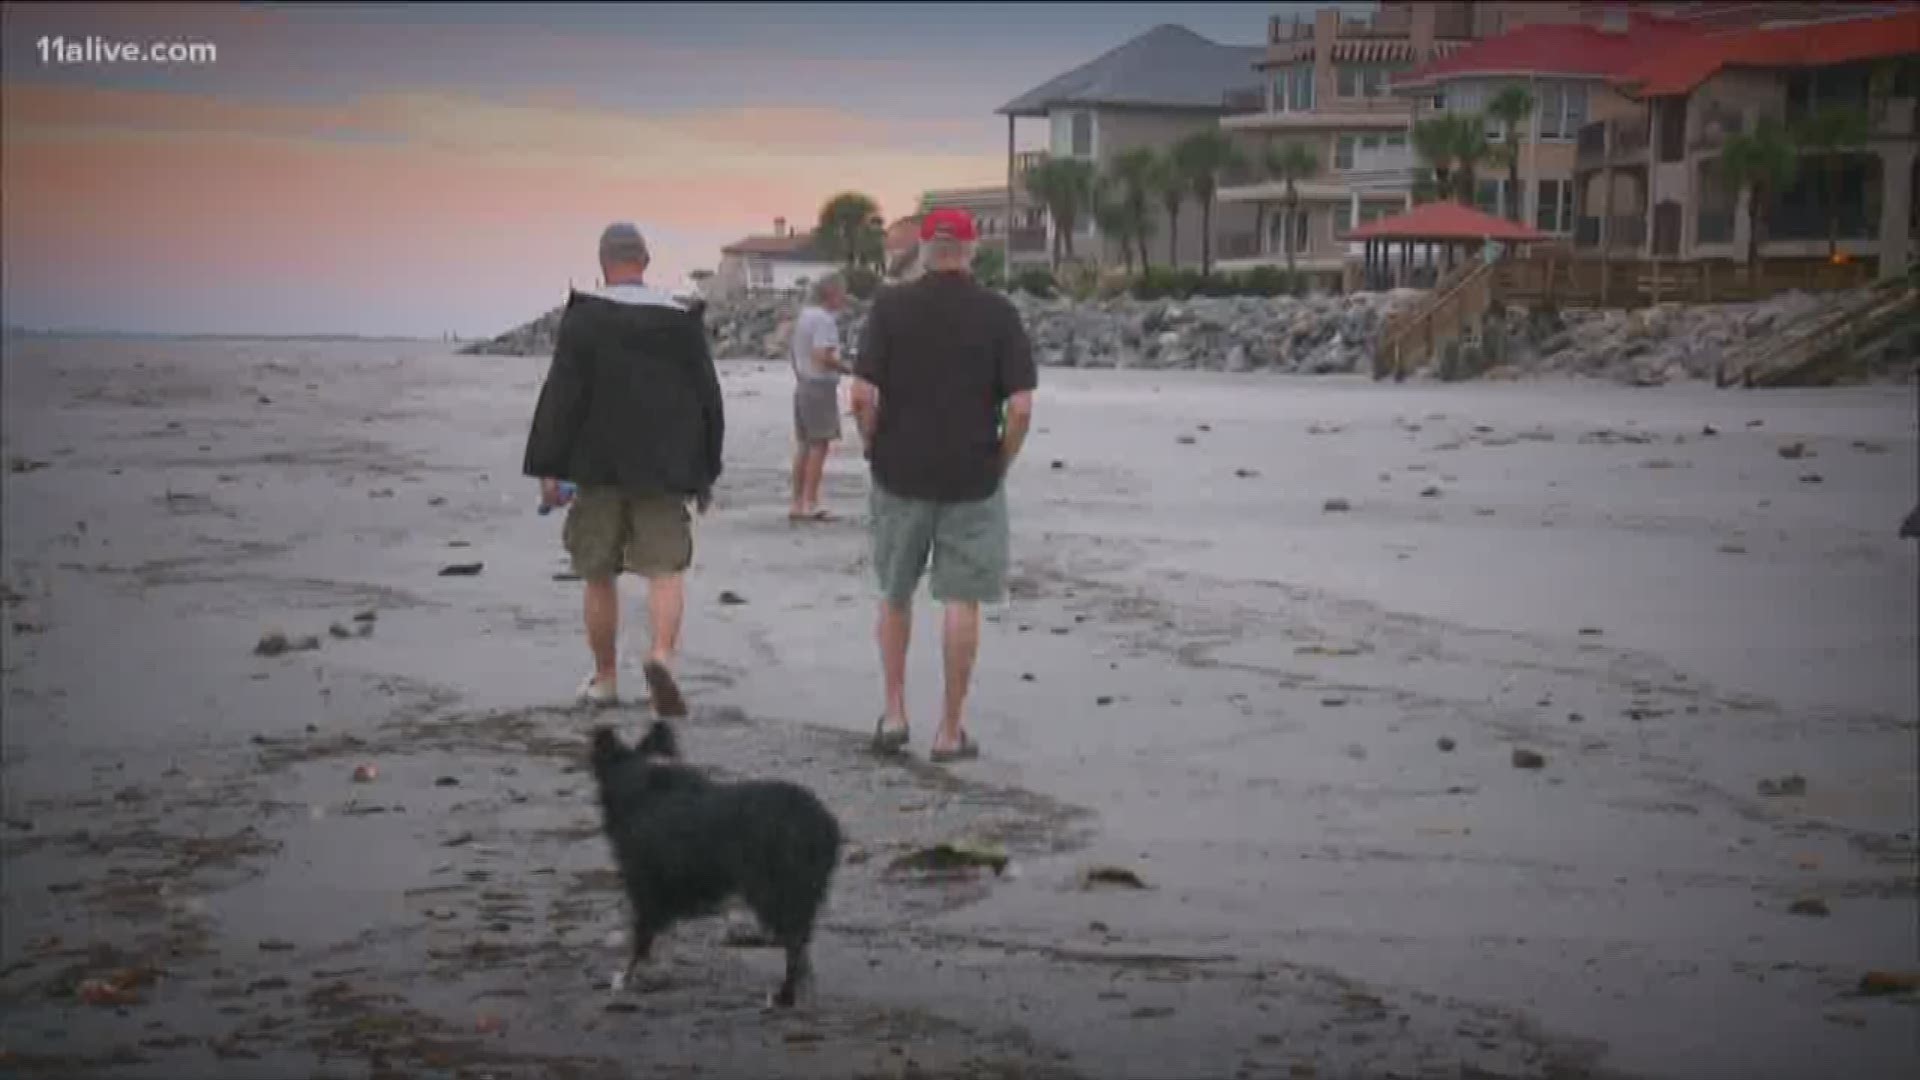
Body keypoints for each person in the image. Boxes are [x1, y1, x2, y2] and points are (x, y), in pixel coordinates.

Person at [851, 208, 1036, 762]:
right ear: (972, 249)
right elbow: (1020, 407)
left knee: (895, 592)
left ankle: (893, 711)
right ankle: (949, 730)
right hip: (972, 476)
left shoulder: (890, 308)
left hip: (899, 472)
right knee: (962, 600)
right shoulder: (999, 314)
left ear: (925, 249)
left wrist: (871, 444)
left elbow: (861, 394)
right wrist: (1001, 459)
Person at [523, 222, 724, 718]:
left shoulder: (585, 319)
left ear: (602, 262)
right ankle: (661, 657)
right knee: (666, 571)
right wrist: (706, 470)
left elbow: (561, 398)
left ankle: (606, 679)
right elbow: (708, 400)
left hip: (597, 468)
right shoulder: (680, 320)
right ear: (646, 261)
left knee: (598, 574)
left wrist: (550, 466)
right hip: (666, 469)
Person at [788, 275, 851, 522]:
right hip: (819, 387)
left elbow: (796, 355)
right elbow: (821, 355)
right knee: (819, 445)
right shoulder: (824, 320)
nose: (845, 299)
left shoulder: (804, 316)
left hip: (803, 384)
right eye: (843, 293)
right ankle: (811, 502)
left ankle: (797, 502)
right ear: (832, 294)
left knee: (804, 445)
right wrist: (848, 368)